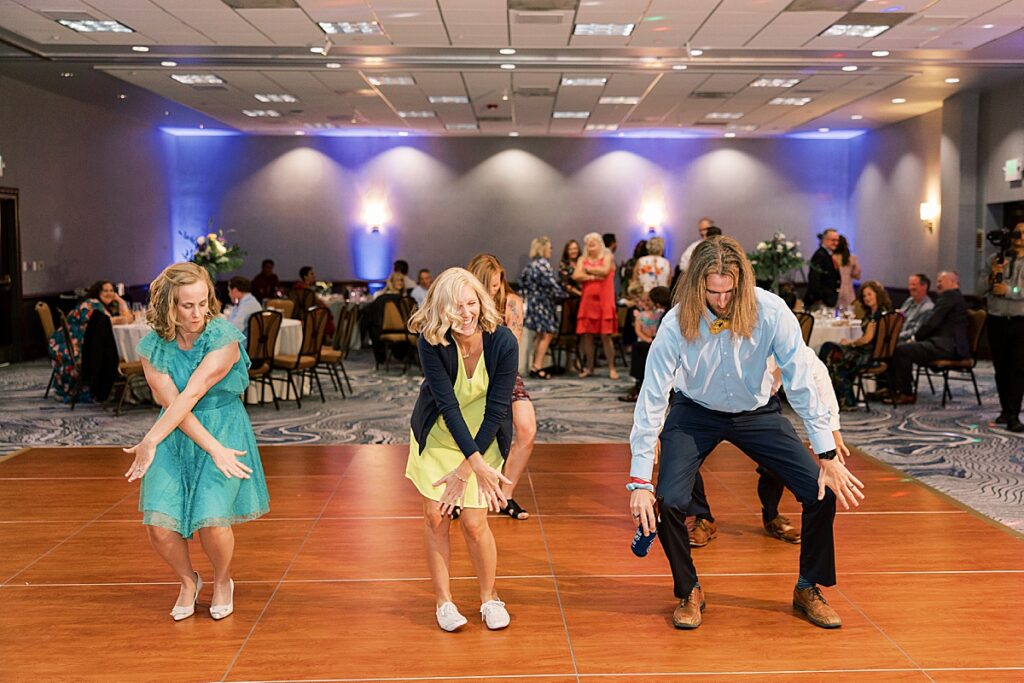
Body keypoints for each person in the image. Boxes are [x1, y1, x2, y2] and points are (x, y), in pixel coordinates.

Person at [628, 236, 864, 630]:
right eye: (712, 291)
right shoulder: (675, 321)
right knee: (668, 501)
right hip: (694, 412)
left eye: (729, 291)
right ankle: (689, 590)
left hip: (756, 413)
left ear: (742, 281)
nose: (721, 301)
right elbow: (653, 394)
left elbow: (801, 380)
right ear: (696, 284)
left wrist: (827, 455)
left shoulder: (771, 311)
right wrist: (638, 480)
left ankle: (808, 587)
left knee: (821, 490)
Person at [123, 262, 269, 621]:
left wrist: (211, 447)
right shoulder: (152, 347)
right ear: (167, 306)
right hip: (174, 429)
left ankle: (222, 580)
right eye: (187, 305)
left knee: (212, 519)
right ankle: (189, 581)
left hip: (222, 425)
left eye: (203, 303)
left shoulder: (223, 338)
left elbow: (193, 393)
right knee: (158, 525)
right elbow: (173, 403)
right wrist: (156, 440)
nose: (198, 313)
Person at [405, 267, 517, 632]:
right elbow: (448, 407)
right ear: (441, 310)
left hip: (484, 437)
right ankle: (444, 602)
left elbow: (497, 410)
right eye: (456, 307)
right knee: (436, 517)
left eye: (471, 303)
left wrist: (471, 469)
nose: (466, 314)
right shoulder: (431, 340)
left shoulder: (503, 341)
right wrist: (469, 465)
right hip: (439, 435)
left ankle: (490, 597)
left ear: (481, 302)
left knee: (473, 522)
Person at [687, 345, 851, 547]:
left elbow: (817, 375)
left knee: (778, 461)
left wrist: (832, 429)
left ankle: (772, 515)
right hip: (705, 405)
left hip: (760, 407)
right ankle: (702, 518)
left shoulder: (780, 333)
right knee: (682, 458)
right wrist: (658, 427)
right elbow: (670, 370)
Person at [469, 254, 536, 520]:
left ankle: (504, 495)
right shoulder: (465, 302)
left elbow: (512, 346)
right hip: (470, 371)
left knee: (527, 428)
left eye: (496, 285)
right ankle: (462, 493)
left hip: (504, 371)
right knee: (468, 432)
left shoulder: (511, 303)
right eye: (487, 285)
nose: (491, 290)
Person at [887, 271, 969, 406]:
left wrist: (915, 338)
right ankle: (893, 388)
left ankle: (905, 393)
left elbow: (932, 322)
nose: (937, 285)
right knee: (898, 347)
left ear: (952, 282)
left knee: (902, 350)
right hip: (942, 343)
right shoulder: (953, 298)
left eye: (940, 282)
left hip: (947, 346)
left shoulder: (950, 297)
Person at [47, 282, 130, 402]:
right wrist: (122, 318)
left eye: (112, 291)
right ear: (97, 292)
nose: (109, 294)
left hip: (78, 343)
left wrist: (120, 301)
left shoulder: (102, 306)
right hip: (67, 345)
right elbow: (105, 322)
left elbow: (127, 318)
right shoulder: (91, 304)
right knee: (105, 352)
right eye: (105, 291)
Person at [818, 281, 892, 408]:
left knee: (830, 352)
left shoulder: (877, 316)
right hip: (871, 353)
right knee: (831, 352)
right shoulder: (883, 313)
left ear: (878, 294)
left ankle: (826, 394)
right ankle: (838, 397)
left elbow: (866, 339)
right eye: (864, 296)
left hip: (867, 355)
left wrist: (850, 343)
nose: (867, 298)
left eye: (870, 294)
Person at [985, 223, 1024, 432]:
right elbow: (982, 287)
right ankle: (1005, 409)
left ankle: (1014, 414)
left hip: (1020, 321)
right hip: (997, 319)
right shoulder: (995, 260)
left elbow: (1021, 288)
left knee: (1018, 368)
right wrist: (992, 276)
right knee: (1001, 368)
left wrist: (1010, 289)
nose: (1020, 237)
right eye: (1018, 232)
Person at [573, 232, 619, 379]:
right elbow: (576, 276)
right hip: (587, 302)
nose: (591, 243)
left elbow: (605, 271)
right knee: (587, 335)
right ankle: (589, 367)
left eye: (594, 241)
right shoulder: (582, 258)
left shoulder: (608, 256)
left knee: (606, 335)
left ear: (600, 243)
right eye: (588, 242)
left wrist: (586, 270)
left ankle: (612, 368)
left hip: (604, 300)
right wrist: (593, 276)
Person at [519, 236, 565, 380]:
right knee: (547, 333)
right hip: (543, 304)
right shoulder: (543, 265)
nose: (551, 250)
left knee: (540, 335)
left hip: (533, 303)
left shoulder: (530, 266)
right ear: (543, 248)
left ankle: (535, 365)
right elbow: (551, 285)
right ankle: (537, 367)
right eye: (550, 247)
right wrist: (565, 294)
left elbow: (522, 284)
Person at [619, 286, 671, 403]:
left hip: (668, 346)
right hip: (665, 343)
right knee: (641, 346)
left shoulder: (666, 313)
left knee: (638, 348)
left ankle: (639, 384)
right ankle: (640, 383)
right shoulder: (668, 311)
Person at [803, 229, 841, 311]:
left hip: (828, 299)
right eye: (833, 240)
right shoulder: (820, 255)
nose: (836, 243)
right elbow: (814, 278)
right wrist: (820, 298)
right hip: (822, 301)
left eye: (837, 240)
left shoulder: (827, 254)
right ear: (825, 240)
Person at [897, 273, 935, 342]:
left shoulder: (928, 308)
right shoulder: (909, 301)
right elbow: (899, 318)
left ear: (924, 286)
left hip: (908, 342)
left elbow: (917, 331)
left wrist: (896, 335)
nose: (910, 288)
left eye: (913, 285)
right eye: (909, 284)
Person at [833, 235, 861, 311]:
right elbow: (857, 275)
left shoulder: (832, 257)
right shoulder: (852, 258)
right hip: (848, 289)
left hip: (835, 288)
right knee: (849, 311)